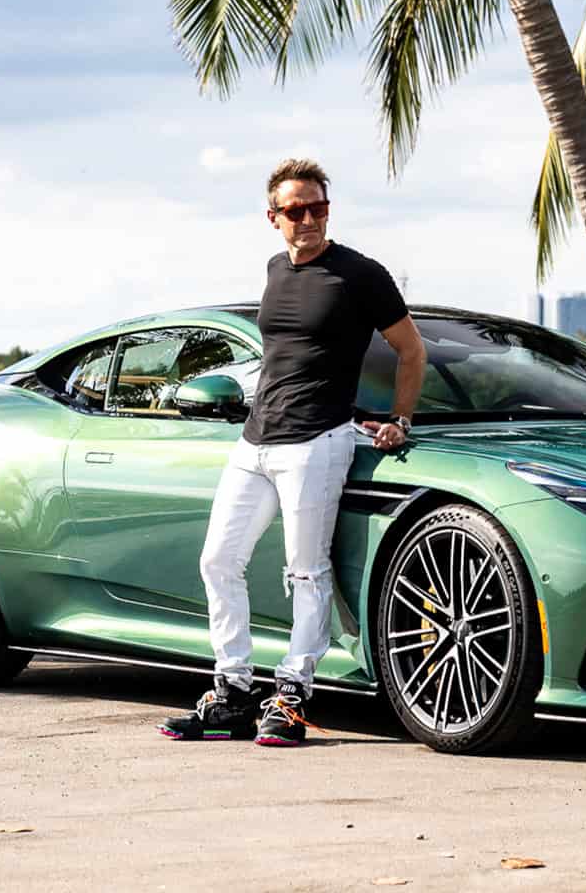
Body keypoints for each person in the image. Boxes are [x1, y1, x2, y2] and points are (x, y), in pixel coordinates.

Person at [160, 158, 425, 746]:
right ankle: (231, 689)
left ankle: (293, 696)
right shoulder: (276, 270)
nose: (309, 219)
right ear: (273, 217)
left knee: (306, 572)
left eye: (319, 207)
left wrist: (400, 419)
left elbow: (411, 351)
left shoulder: (360, 274)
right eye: (296, 210)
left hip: (317, 440)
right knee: (218, 561)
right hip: (255, 440)